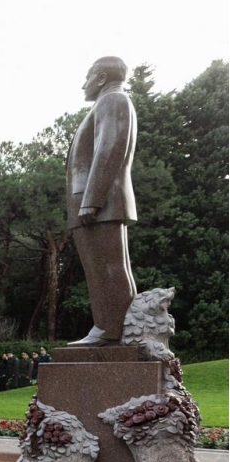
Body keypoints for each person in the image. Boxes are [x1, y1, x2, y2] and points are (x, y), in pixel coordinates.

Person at [67, 56, 138, 347]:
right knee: (102, 267)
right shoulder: (108, 103)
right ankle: (112, 327)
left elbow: (110, 148)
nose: (83, 84)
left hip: (98, 203)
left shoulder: (113, 100)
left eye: (87, 77)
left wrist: (91, 200)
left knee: (106, 267)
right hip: (95, 201)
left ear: (101, 77)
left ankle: (110, 329)